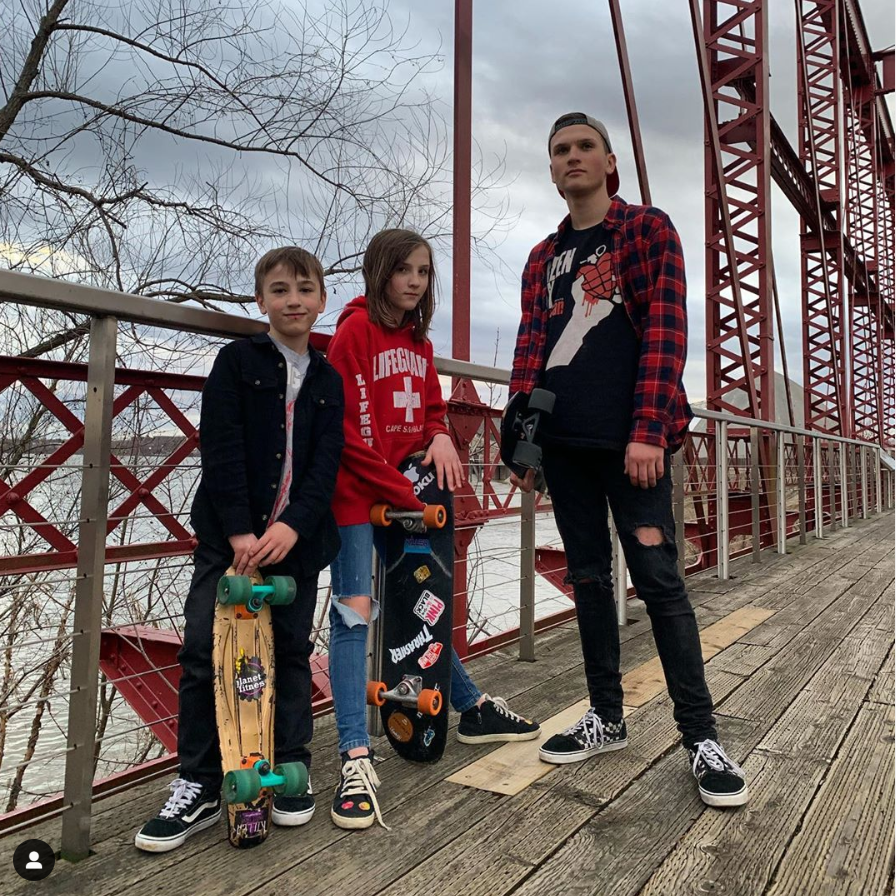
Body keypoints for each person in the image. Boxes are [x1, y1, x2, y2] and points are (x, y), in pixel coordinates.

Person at [509, 113, 748, 808]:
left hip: (631, 445)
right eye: (560, 150)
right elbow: (532, 351)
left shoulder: (647, 230)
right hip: (565, 447)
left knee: (659, 581)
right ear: (552, 170)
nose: (572, 157)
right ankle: (606, 717)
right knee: (588, 578)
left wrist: (647, 430)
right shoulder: (540, 259)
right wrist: (524, 437)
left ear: (609, 162)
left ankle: (700, 736)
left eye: (585, 146)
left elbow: (668, 332)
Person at [325, 228, 541, 830]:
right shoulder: (353, 333)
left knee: (421, 609)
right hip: (358, 499)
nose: (415, 280)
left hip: (406, 494)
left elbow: (429, 411)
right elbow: (344, 435)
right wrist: (401, 496)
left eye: (423, 271)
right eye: (404, 270)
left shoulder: (419, 346)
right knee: (355, 615)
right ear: (380, 272)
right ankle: (353, 754)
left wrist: (442, 434)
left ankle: (468, 707)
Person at [135, 246, 345, 851]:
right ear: (261, 301)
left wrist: (293, 528)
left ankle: (290, 767)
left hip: (297, 547)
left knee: (291, 650)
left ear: (322, 300)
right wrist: (239, 533)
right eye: (279, 290)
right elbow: (220, 445)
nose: (293, 300)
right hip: (228, 542)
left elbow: (324, 467)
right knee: (203, 650)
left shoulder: (328, 379)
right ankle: (198, 782)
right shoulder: (236, 362)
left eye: (305, 290)